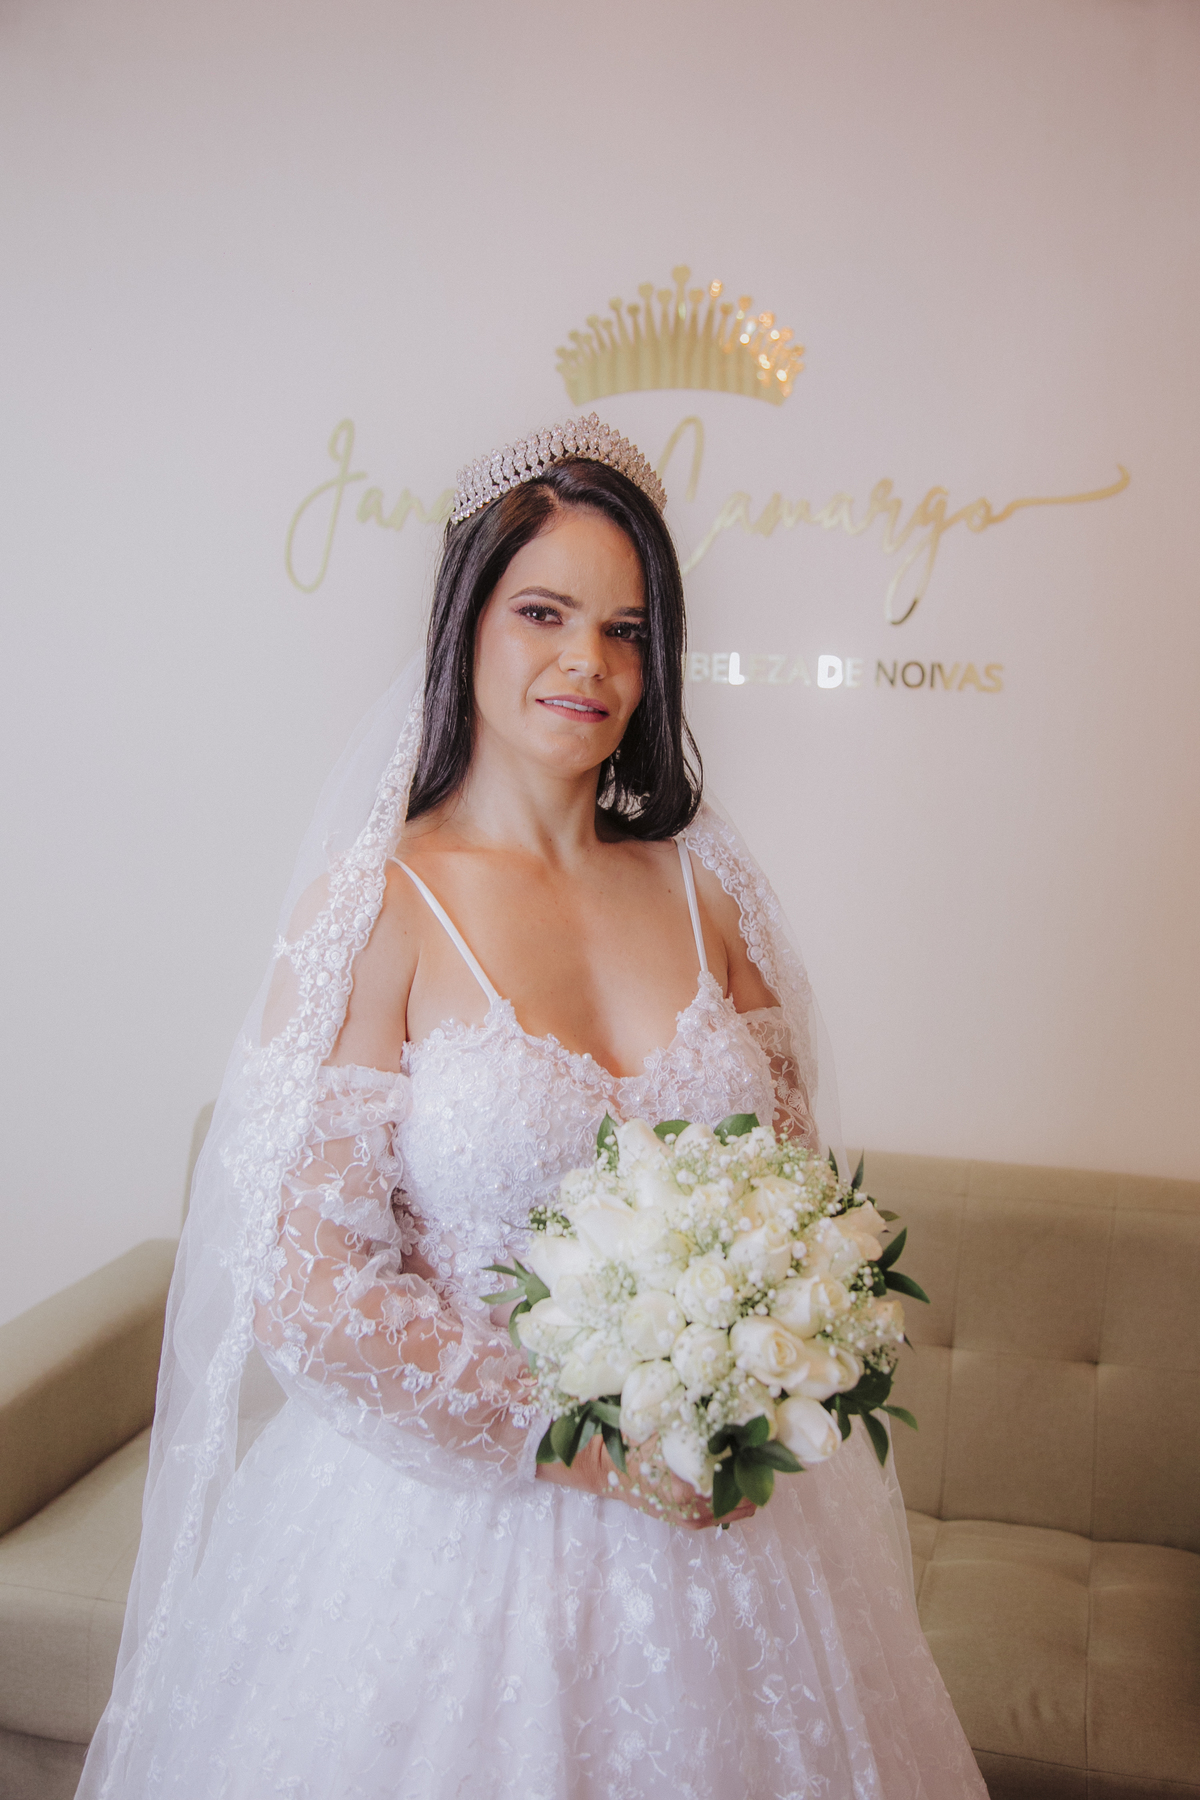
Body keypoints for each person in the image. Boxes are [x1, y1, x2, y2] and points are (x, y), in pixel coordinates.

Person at [79, 416, 987, 1798]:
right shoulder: (379, 907)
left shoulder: (712, 895)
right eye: (544, 613)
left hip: (726, 1533)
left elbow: (797, 1202)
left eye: (627, 630)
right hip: (452, 1542)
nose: (589, 665)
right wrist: (585, 1446)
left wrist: (748, 1366)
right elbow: (309, 1284)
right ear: (467, 623)